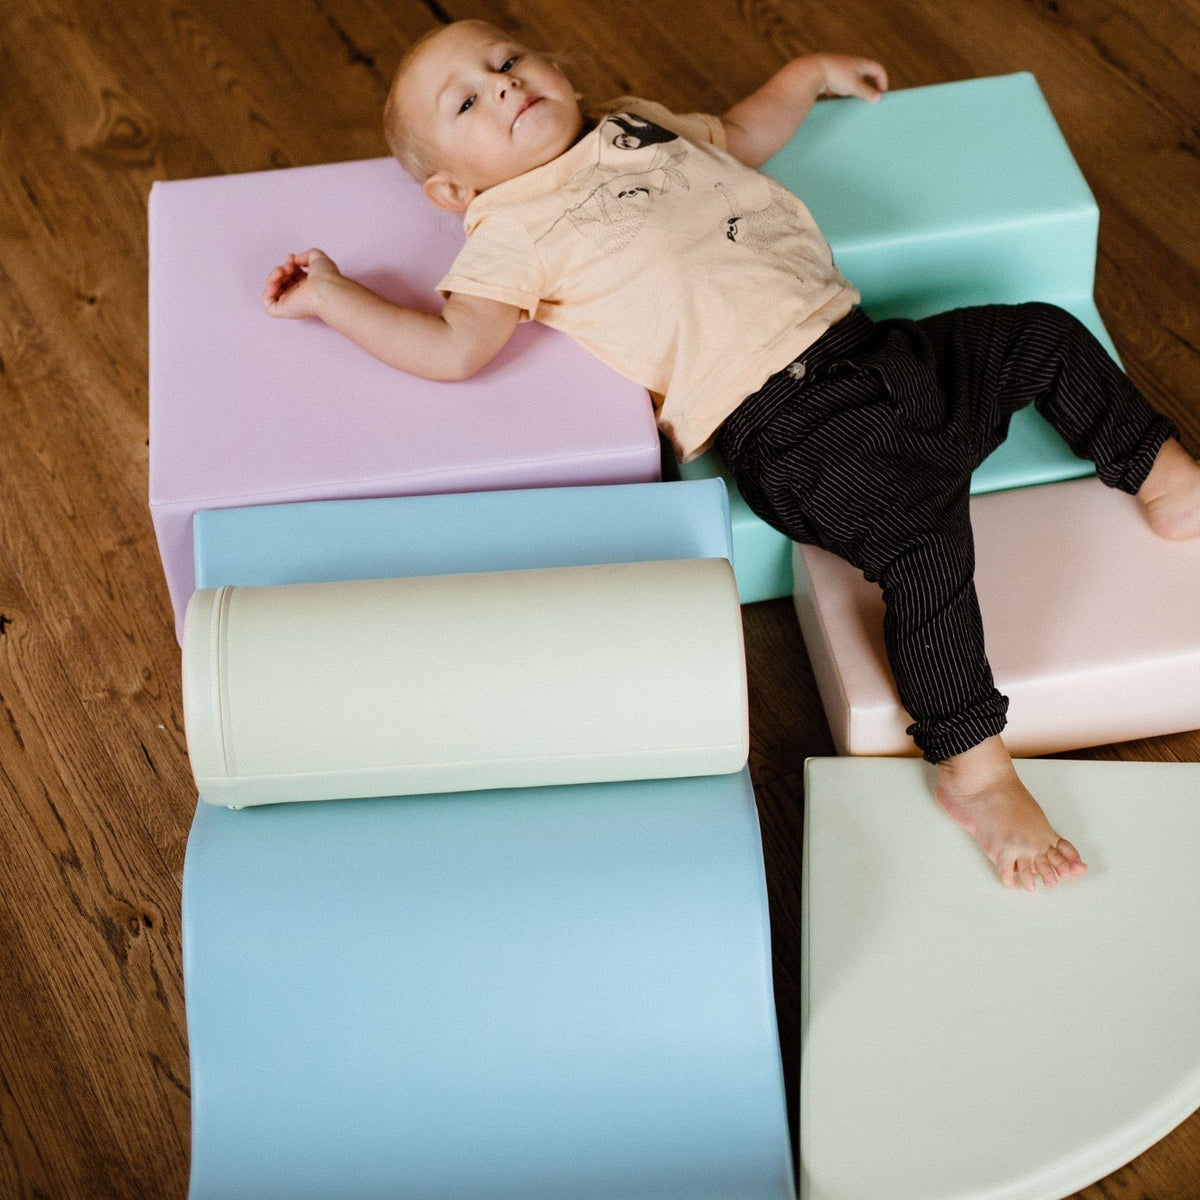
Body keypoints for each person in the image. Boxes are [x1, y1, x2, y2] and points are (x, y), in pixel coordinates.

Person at [262, 19, 1200, 891]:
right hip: (788, 429)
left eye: (507, 63)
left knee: (1038, 332)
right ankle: (976, 769)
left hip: (871, 349)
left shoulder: (640, 124)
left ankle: (1165, 477)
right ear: (451, 191)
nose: (502, 89)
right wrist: (334, 298)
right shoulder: (508, 229)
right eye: (466, 103)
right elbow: (454, 349)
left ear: (557, 70)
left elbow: (745, 134)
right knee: (927, 554)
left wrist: (807, 76)